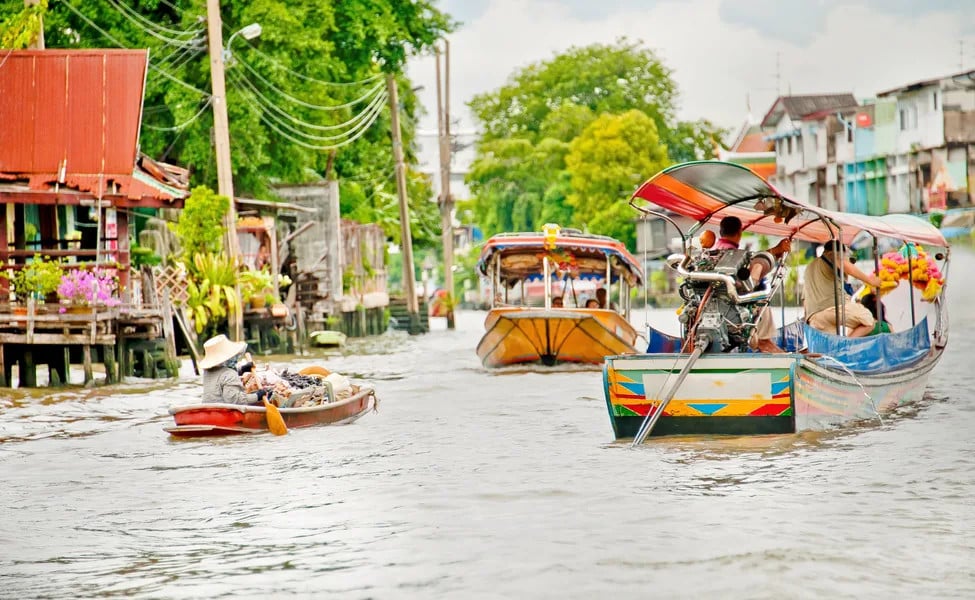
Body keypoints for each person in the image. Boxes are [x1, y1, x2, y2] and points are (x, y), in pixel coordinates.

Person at [714, 216, 791, 352]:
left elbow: (756, 259)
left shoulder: (712, 253)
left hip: (717, 307)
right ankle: (765, 343)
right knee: (762, 299)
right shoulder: (735, 255)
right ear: (739, 232)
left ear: (721, 232)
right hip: (736, 306)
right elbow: (755, 265)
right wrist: (777, 250)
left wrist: (776, 251)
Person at [803, 240, 882, 337]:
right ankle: (846, 345)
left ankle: (842, 346)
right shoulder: (831, 255)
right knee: (869, 321)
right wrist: (871, 281)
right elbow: (846, 266)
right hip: (834, 307)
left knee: (829, 349)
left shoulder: (809, 267)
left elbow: (804, 299)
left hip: (814, 317)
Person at [199, 334, 272, 405]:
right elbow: (234, 400)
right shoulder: (230, 374)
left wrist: (242, 369)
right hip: (223, 411)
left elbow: (222, 377)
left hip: (207, 407)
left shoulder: (207, 372)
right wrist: (257, 396)